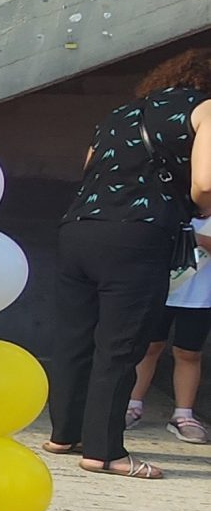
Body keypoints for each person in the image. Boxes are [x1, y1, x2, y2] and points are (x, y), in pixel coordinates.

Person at [47, 51, 211, 477]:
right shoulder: (204, 109)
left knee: (74, 339)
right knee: (120, 345)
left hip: (78, 228)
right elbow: (206, 180)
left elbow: (88, 168)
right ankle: (104, 452)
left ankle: (64, 433)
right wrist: (200, 209)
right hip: (138, 235)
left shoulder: (119, 113)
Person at [127, 214, 210, 443]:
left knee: (188, 353)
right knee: (148, 347)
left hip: (200, 296)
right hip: (160, 288)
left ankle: (183, 415)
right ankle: (132, 404)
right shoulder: (172, 205)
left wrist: (198, 239)